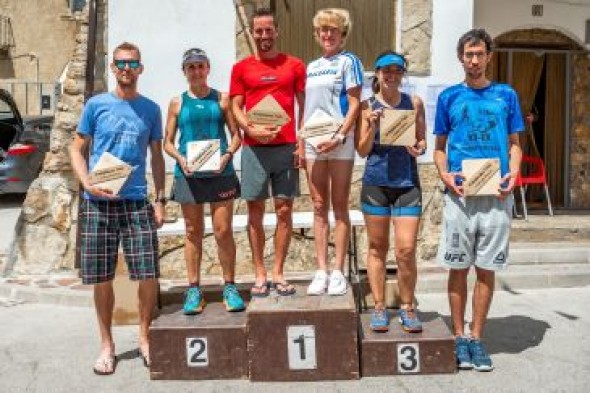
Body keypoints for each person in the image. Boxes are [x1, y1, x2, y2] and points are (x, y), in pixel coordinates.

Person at [69, 42, 166, 374]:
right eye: (121, 63)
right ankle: (107, 345)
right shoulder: (96, 106)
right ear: (113, 67)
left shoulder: (151, 109)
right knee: (102, 278)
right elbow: (76, 149)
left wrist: (161, 199)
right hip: (99, 204)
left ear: (141, 68)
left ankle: (144, 338)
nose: (127, 68)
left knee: (149, 273)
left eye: (133, 63)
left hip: (138, 201)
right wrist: (85, 182)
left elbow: (156, 157)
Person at [434, 28, 523, 372]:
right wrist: (445, 175)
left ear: (489, 56)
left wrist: (512, 172)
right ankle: (458, 337)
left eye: (479, 54)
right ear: (461, 57)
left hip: (496, 197)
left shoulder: (506, 95)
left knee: (486, 270)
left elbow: (515, 143)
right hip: (460, 197)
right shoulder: (449, 98)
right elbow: (439, 149)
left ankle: (476, 337)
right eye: (468, 54)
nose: (473, 60)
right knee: (458, 268)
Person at [229, 7, 306, 296]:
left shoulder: (294, 65)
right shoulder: (241, 68)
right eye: (258, 30)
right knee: (255, 212)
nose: (264, 35)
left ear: (277, 32)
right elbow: (235, 106)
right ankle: (260, 273)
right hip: (253, 150)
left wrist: (301, 142)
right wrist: (250, 129)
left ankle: (279, 272)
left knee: (284, 211)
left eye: (268, 30)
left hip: (286, 147)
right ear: (252, 32)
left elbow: (303, 105)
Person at [163, 48, 244, 315]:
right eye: (191, 67)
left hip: (221, 173)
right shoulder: (177, 103)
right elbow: (167, 142)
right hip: (188, 174)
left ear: (208, 68)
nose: (196, 71)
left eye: (200, 66)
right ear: (184, 71)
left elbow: (236, 136)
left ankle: (229, 287)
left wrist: (227, 155)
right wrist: (181, 159)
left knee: (223, 231)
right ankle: (193, 289)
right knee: (192, 231)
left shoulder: (222, 99)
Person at [356, 51, 427, 332]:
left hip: (407, 184)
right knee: (377, 248)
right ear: (378, 74)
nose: (392, 75)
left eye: (397, 71)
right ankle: (379, 307)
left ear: (402, 75)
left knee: (406, 249)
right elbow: (362, 151)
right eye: (387, 70)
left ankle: (408, 307)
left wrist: (417, 148)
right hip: (376, 183)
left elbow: (422, 142)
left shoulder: (414, 103)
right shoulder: (366, 106)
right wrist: (371, 125)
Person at [303, 8, 363, 296]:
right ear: (316, 34)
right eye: (323, 30)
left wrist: (339, 136)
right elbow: (307, 108)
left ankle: (338, 270)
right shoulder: (311, 66)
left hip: (340, 143)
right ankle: (321, 270)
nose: (328, 34)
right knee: (317, 206)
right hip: (313, 143)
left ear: (342, 34)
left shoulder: (349, 61)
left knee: (339, 205)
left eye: (333, 30)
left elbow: (354, 104)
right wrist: (301, 141)